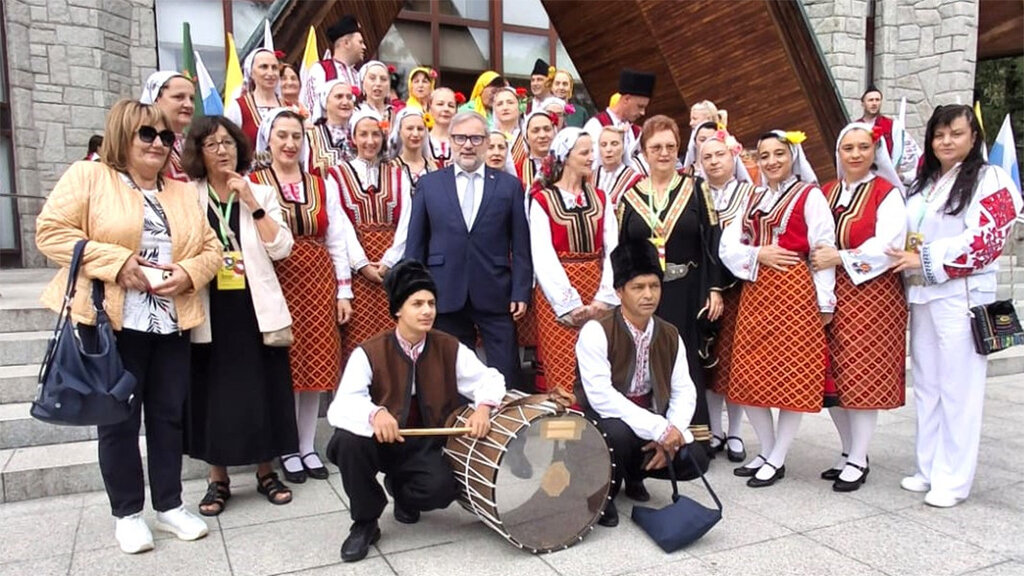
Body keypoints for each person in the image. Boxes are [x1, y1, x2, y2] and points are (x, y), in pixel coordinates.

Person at [35, 99, 221, 553]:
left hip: (171, 323)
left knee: (168, 417)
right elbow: (51, 233)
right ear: (123, 135)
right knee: (117, 420)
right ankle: (127, 513)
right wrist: (116, 262)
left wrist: (189, 273)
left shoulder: (179, 191)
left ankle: (170, 505)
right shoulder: (90, 178)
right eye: (147, 135)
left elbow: (212, 250)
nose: (158, 143)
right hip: (112, 323)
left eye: (165, 136)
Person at [326, 259, 506, 562]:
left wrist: (484, 408)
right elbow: (342, 404)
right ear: (398, 309)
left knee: (442, 489)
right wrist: (375, 414)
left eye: (431, 303)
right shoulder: (369, 352)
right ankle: (365, 522)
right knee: (348, 441)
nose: (427, 311)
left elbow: (490, 378)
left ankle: (401, 489)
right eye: (417, 303)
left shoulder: (449, 347)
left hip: (424, 445)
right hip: (380, 441)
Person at [888, 104, 1022, 507]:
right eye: (939, 135)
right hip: (924, 294)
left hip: (961, 295)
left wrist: (926, 258)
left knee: (958, 388)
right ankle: (928, 466)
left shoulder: (990, 177)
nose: (946, 141)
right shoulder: (926, 183)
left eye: (956, 134)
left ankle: (953, 478)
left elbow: (987, 240)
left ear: (973, 137)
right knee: (928, 385)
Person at [181, 116, 298, 514]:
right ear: (198, 152)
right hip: (210, 305)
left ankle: (267, 471)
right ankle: (218, 479)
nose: (222, 150)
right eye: (211, 144)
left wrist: (251, 203)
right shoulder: (187, 195)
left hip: (254, 305)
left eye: (228, 143)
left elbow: (283, 249)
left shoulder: (260, 192)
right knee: (213, 392)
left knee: (262, 386)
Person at [719, 130, 837, 487]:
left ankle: (779, 455)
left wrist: (824, 299)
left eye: (779, 154)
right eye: (764, 155)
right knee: (749, 375)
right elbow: (728, 245)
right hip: (756, 293)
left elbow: (822, 248)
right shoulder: (752, 197)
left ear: (792, 157)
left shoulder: (809, 195)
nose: (771, 162)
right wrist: (757, 253)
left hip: (794, 292)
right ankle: (767, 449)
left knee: (789, 377)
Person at [249, 108, 355, 485]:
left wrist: (344, 290)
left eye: (296, 136)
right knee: (286, 365)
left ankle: (307, 444)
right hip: (275, 278)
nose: (290, 143)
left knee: (316, 365)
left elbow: (337, 237)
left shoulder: (322, 183)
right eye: (282, 136)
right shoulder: (255, 182)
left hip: (316, 278)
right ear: (269, 140)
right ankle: (287, 446)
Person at [574, 239, 712, 528]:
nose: (648, 295)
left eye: (654, 286)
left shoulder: (670, 334)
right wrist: (660, 429)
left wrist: (671, 435)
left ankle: (635, 474)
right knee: (617, 433)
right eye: (638, 287)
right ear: (619, 291)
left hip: (650, 422)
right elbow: (601, 397)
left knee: (696, 456)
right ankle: (600, 492)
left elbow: (684, 390)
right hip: (602, 421)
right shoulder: (595, 332)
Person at [808, 122, 908, 492]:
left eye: (862, 147)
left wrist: (840, 257)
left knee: (862, 377)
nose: (854, 154)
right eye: (847, 148)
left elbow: (888, 246)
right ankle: (850, 449)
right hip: (829, 296)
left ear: (873, 152)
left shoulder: (887, 194)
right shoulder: (827, 191)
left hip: (872, 297)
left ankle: (860, 456)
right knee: (830, 378)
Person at [406, 111, 533, 394]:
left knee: (506, 371)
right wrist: (414, 291)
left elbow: (521, 245)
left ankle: (506, 431)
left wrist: (520, 291)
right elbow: (416, 243)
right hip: (444, 290)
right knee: (449, 371)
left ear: (487, 142)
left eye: (476, 138)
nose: (467, 145)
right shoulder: (429, 184)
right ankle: (455, 432)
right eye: (461, 138)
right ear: (450, 141)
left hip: (495, 290)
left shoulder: (509, 186)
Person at [618, 115, 723, 458]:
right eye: (655, 147)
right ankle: (646, 433)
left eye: (670, 147)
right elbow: (620, 248)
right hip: (642, 295)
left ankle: (691, 435)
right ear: (644, 152)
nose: (663, 153)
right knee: (642, 358)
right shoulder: (630, 196)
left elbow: (711, 242)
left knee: (683, 358)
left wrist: (715, 288)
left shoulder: (696, 189)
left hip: (685, 289)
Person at [529, 128, 619, 395]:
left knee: (600, 363)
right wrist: (568, 304)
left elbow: (612, 248)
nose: (592, 157)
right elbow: (542, 254)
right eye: (585, 152)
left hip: (596, 286)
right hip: (556, 296)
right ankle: (564, 431)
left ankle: (598, 428)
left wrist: (604, 298)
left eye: (592, 151)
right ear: (566, 157)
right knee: (562, 366)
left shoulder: (601, 198)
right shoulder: (543, 200)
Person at [330, 108, 411, 365]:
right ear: (352, 137)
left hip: (391, 268)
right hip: (356, 270)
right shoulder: (336, 175)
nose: (370, 141)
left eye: (375, 134)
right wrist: (362, 264)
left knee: (396, 336)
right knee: (358, 341)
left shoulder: (398, 174)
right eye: (363, 134)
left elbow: (407, 221)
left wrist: (389, 261)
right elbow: (339, 223)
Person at [700, 129, 755, 462]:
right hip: (705, 287)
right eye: (706, 156)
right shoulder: (696, 192)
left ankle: (735, 431)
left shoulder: (751, 193)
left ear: (733, 156)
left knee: (736, 360)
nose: (714, 161)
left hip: (740, 287)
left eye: (719, 154)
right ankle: (714, 429)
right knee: (709, 358)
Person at [583, 69, 654, 170]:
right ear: (626, 99)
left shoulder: (635, 131)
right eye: (640, 106)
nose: (643, 113)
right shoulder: (596, 126)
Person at [302, 14, 364, 119]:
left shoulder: (358, 75)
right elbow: (312, 107)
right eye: (360, 42)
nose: (364, 47)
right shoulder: (321, 70)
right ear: (346, 43)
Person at [139, 71, 195, 182]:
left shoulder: (193, 144)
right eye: (179, 97)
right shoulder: (143, 144)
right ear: (155, 100)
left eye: (192, 99)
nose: (188, 105)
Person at [858, 86, 921, 183]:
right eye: (870, 100)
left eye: (877, 100)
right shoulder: (855, 126)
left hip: (886, 177)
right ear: (863, 103)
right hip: (863, 175)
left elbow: (898, 150)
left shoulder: (892, 125)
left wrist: (894, 172)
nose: (874, 103)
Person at [226, 48, 282, 152]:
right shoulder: (239, 107)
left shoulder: (289, 107)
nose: (270, 73)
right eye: (264, 67)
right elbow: (227, 144)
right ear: (251, 72)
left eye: (274, 68)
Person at [307, 80, 357, 177]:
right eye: (339, 97)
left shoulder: (360, 133)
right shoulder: (311, 136)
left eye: (349, 97)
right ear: (325, 102)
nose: (345, 102)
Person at [388, 107, 438, 186]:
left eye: (420, 129)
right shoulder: (391, 168)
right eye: (410, 128)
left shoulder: (434, 167)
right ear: (399, 132)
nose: (415, 134)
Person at [596, 126, 641, 209]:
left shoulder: (635, 180)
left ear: (623, 147)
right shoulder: (589, 177)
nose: (608, 149)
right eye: (603, 145)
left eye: (614, 144)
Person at [516, 110, 556, 191]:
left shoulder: (565, 167)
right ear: (526, 136)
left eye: (547, 129)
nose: (542, 135)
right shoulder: (518, 169)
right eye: (535, 131)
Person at [427, 87, 457, 169]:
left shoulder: (461, 143)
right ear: (430, 108)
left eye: (451, 105)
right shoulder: (422, 141)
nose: (446, 109)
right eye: (440, 104)